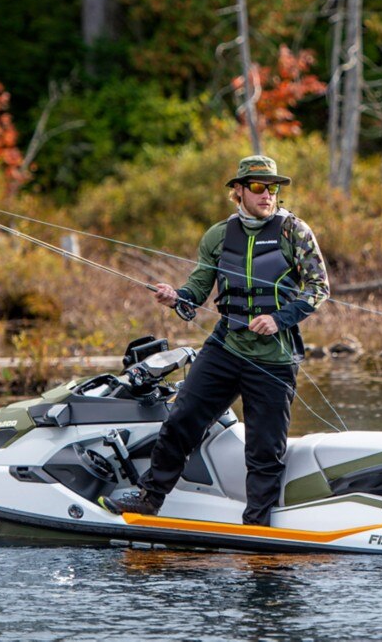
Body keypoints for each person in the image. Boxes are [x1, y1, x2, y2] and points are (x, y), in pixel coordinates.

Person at [99, 155, 330, 526]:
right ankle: (148, 498)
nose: (267, 195)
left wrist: (278, 319)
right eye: (258, 187)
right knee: (181, 419)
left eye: (273, 188)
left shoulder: (294, 232)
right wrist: (177, 297)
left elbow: (319, 288)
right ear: (238, 191)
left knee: (264, 449)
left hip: (274, 358)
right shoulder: (218, 236)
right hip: (226, 348)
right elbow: (198, 288)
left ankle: (256, 525)